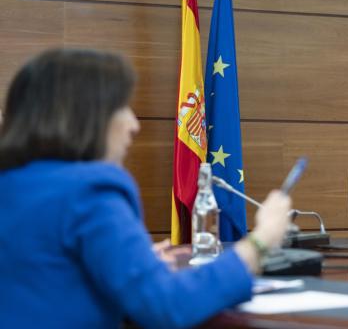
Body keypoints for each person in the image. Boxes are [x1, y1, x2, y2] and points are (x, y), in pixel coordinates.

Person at [0, 48, 292, 328]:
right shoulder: (90, 192)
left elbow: (47, 276)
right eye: (121, 107)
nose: (134, 124)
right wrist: (261, 242)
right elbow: (166, 306)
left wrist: (133, 264)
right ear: (86, 116)